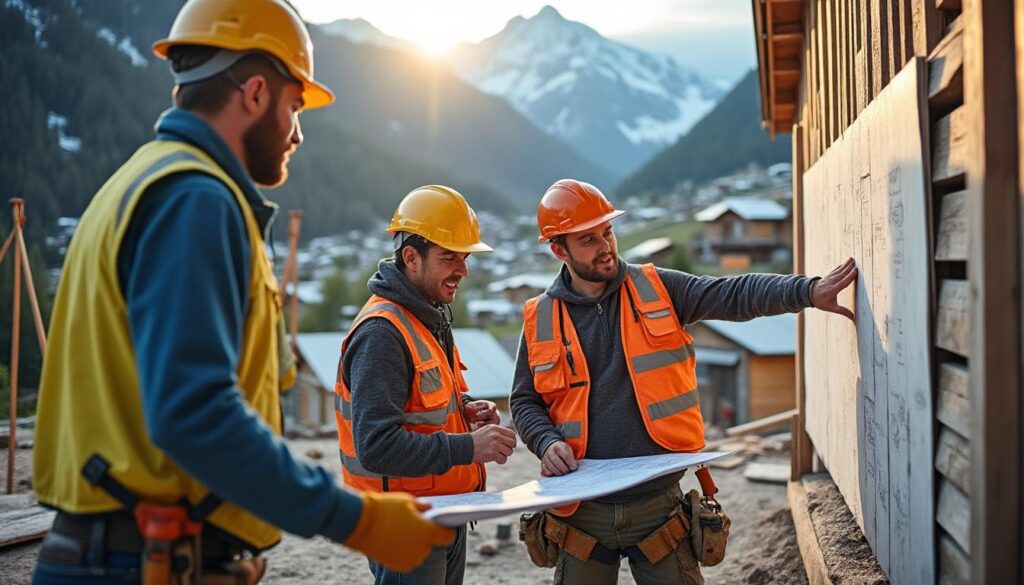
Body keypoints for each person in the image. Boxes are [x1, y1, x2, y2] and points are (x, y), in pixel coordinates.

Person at [31, 1, 452, 583]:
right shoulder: (195, 199)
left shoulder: (138, 181)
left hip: (118, 550)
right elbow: (195, 413)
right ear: (254, 93)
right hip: (137, 559)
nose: (298, 133)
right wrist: (355, 519)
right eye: (294, 107)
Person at [510, 179, 857, 585]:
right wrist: (546, 441)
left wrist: (807, 291)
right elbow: (524, 400)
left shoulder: (658, 288)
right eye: (587, 239)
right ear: (559, 250)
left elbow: (733, 294)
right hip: (581, 510)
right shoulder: (541, 318)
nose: (605, 246)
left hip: (659, 506)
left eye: (607, 232)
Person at [335, 185, 519, 585]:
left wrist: (465, 408)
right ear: (411, 257)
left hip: (442, 511)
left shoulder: (426, 316)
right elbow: (376, 446)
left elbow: (420, 403)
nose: (463, 270)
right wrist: (469, 447)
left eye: (465, 257)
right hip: (405, 524)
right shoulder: (382, 334)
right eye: (449, 257)